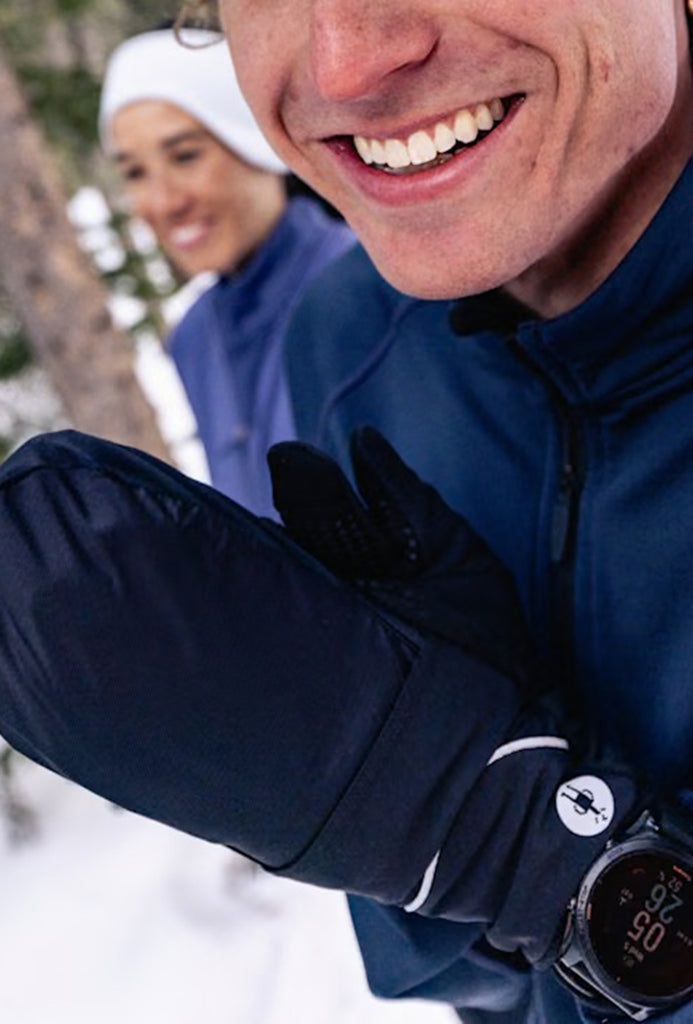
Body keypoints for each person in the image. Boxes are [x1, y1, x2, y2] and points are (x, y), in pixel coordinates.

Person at [0, 4, 693, 1024]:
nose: (349, 61)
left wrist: (523, 850)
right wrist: (392, 820)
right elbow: (482, 988)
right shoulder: (346, 343)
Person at [99, 26, 354, 515]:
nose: (163, 201)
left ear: (253, 138)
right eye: (134, 172)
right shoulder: (193, 338)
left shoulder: (371, 288)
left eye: (185, 156)